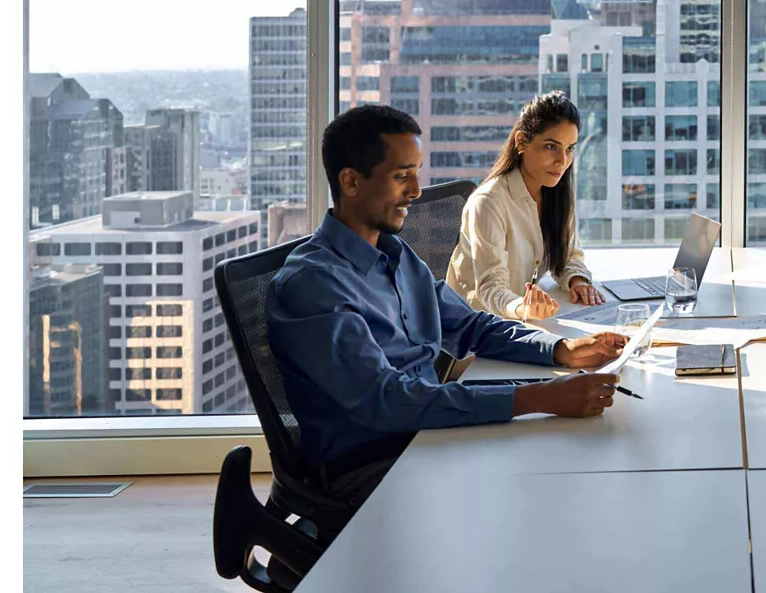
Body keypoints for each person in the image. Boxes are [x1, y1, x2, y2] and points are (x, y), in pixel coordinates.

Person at [268, 104, 627, 508]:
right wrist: (540, 398)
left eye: (417, 173)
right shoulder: (314, 285)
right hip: (373, 465)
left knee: (569, 468)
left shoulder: (395, 255)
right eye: (402, 176)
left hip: (426, 434)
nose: (417, 191)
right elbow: (388, 401)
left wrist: (560, 350)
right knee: (541, 489)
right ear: (351, 181)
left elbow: (472, 327)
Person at [446, 92, 605, 321]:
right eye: (551, 146)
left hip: (519, 320)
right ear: (521, 142)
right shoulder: (489, 202)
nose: (562, 161)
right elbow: (490, 288)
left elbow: (568, 257)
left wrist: (577, 280)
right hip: (476, 326)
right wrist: (523, 308)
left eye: (569, 148)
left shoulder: (555, 193)